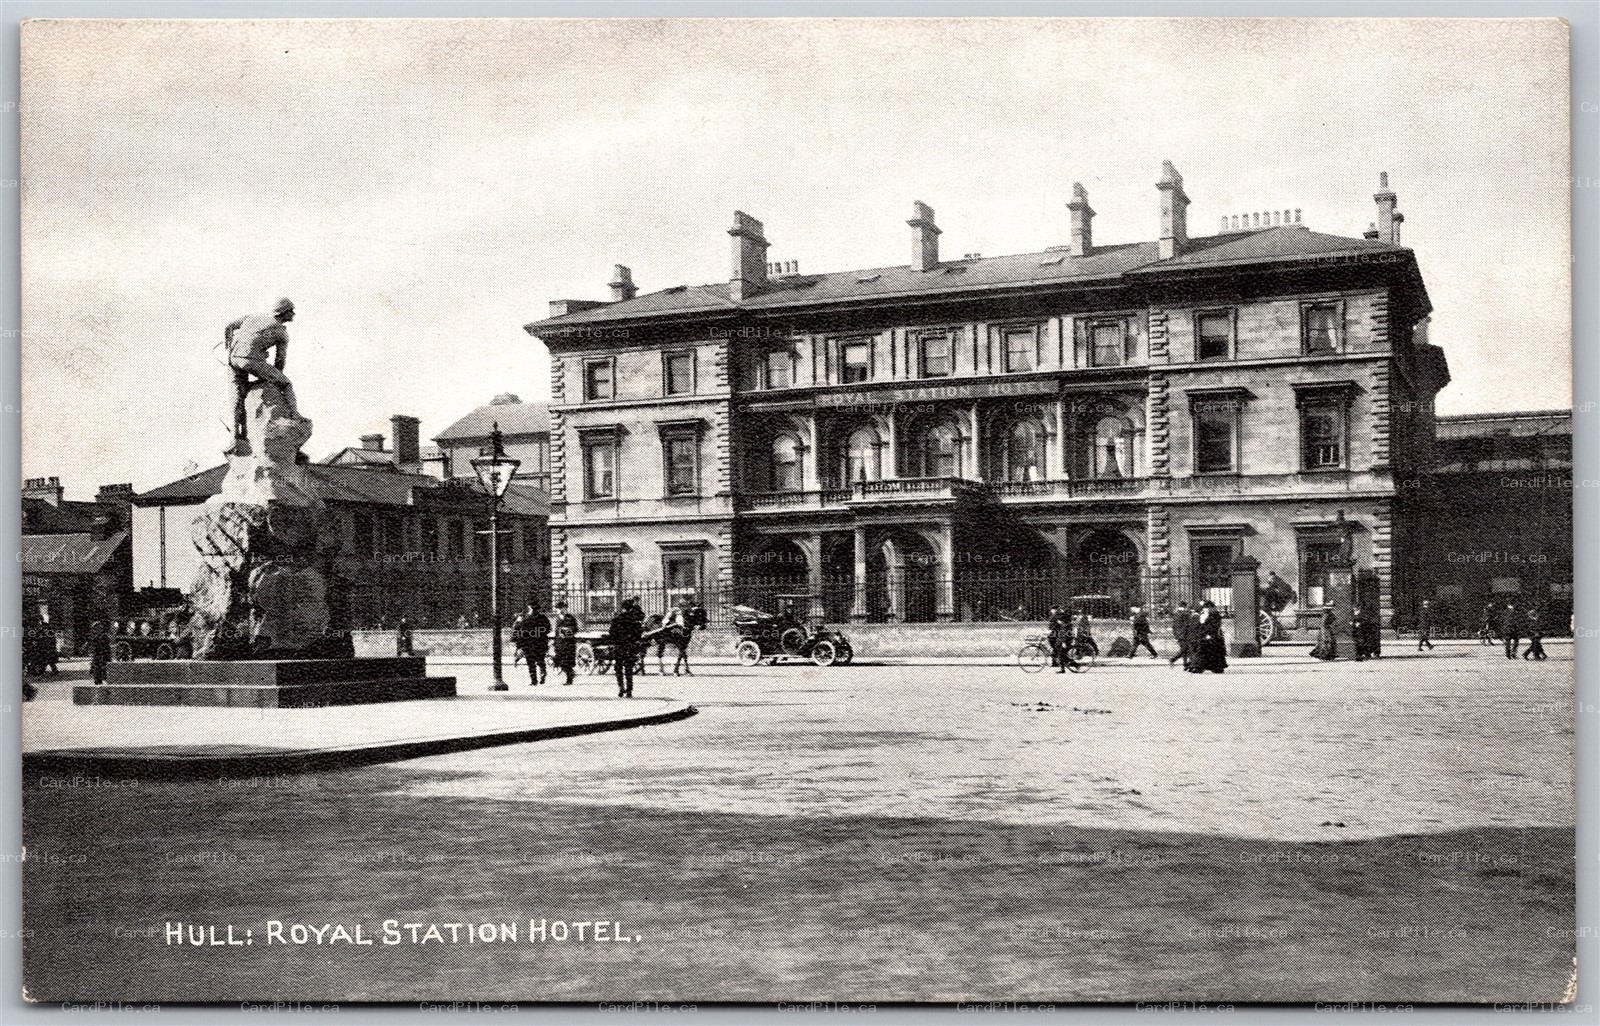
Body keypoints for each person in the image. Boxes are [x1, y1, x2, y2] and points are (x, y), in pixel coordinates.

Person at [222, 298, 299, 454]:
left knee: (237, 397)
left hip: (232, 359)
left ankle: (235, 438)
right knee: (287, 384)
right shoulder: (281, 332)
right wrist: (273, 380)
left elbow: (229, 326)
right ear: (283, 312)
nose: (294, 314)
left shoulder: (253, 317)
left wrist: (228, 345)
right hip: (250, 361)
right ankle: (295, 415)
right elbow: (279, 361)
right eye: (291, 310)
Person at [609, 597, 645, 697]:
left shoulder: (617, 619)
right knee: (629, 668)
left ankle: (621, 688)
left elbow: (611, 632)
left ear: (622, 608)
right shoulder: (634, 620)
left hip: (619, 647)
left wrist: (616, 640)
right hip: (630, 646)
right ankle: (629, 690)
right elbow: (639, 633)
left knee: (618, 667)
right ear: (631, 608)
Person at [511, 603, 550, 685]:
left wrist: (519, 645)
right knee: (540, 660)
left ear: (530, 608)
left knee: (531, 662)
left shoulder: (525, 619)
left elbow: (521, 632)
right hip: (540, 643)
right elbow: (548, 629)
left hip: (528, 643)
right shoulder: (543, 618)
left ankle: (534, 680)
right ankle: (542, 671)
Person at [1192, 600, 1228, 673]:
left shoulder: (1215, 615)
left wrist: (1210, 634)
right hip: (1204, 636)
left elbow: (1215, 626)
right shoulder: (1203, 615)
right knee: (1202, 652)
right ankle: (1199, 667)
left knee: (1214, 652)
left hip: (1213, 637)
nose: (1205, 609)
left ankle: (1216, 667)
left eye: (1207, 608)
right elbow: (1200, 626)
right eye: (1204, 608)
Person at [550, 602, 579, 686]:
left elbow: (575, 628)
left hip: (568, 643)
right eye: (556, 608)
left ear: (563, 608)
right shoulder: (558, 618)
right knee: (559, 660)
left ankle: (569, 679)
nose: (557, 610)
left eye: (558, 608)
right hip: (559, 643)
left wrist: (567, 632)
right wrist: (555, 643)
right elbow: (556, 631)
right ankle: (570, 674)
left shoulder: (570, 618)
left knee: (566, 662)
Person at [1168, 601, 1194, 667]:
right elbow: (1187, 624)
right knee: (1186, 649)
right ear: (1185, 607)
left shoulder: (1176, 614)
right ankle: (1173, 660)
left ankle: (1185, 663)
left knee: (1184, 649)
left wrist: (1175, 635)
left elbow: (1173, 626)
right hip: (1185, 634)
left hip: (1179, 635)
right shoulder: (1185, 614)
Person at [88, 619, 112, 686]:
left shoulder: (104, 636)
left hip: (103, 657)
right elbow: (92, 646)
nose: (95, 630)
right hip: (97, 657)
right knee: (96, 674)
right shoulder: (94, 637)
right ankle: (98, 684)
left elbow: (107, 648)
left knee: (103, 673)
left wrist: (107, 657)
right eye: (94, 628)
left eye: (98, 628)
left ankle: (102, 685)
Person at [1046, 606, 1071, 673]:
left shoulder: (1065, 625)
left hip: (1064, 639)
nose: (1059, 621)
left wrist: (1064, 642)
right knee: (1058, 652)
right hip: (1061, 638)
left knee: (1061, 653)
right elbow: (1055, 627)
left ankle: (1066, 667)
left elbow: (1066, 633)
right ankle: (1063, 666)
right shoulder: (1062, 623)